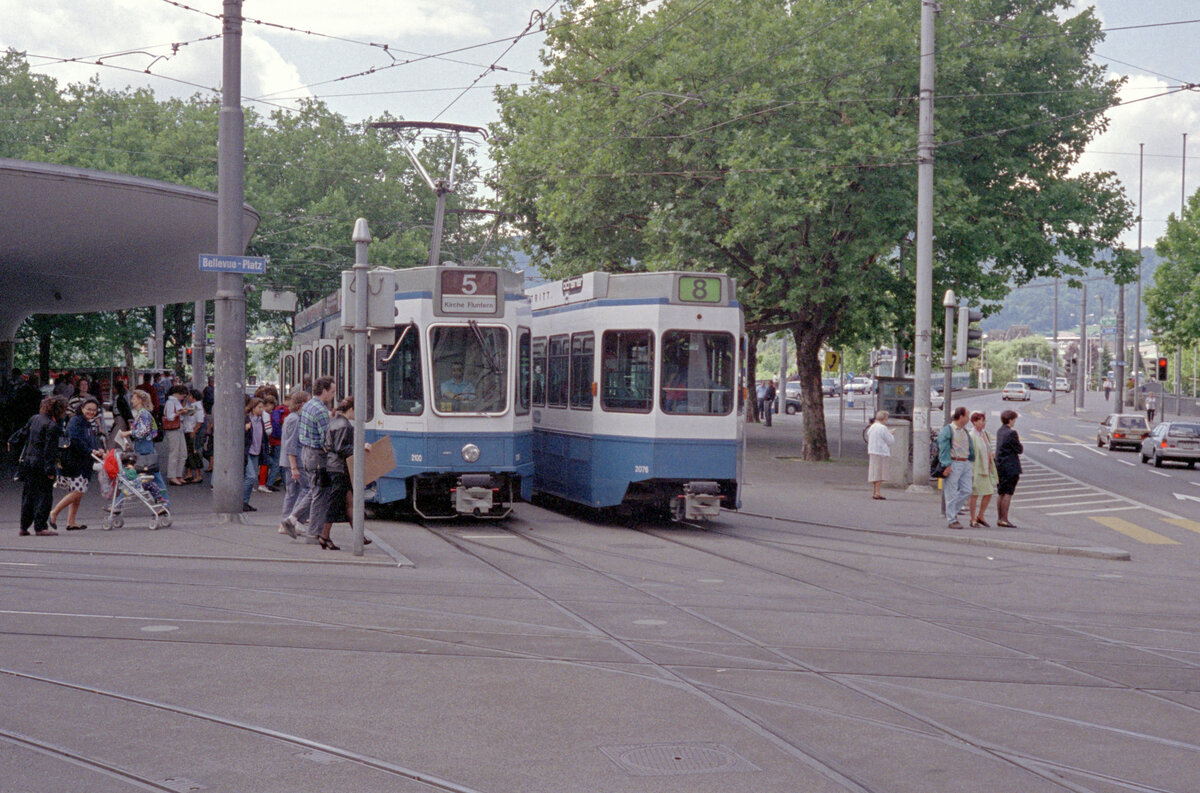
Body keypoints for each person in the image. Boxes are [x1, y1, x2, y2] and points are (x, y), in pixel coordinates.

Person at [280, 376, 335, 542]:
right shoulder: (321, 411)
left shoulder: (308, 406)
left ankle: (292, 519)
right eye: (332, 391)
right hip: (317, 456)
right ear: (324, 391)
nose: (333, 395)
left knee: (314, 490)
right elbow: (327, 439)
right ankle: (311, 533)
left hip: (306, 453)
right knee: (318, 493)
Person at [316, 396, 373, 551]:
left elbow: (330, 445)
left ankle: (359, 536)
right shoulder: (344, 425)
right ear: (352, 409)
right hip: (340, 469)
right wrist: (361, 446)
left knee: (350, 502)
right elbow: (342, 448)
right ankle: (324, 535)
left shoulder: (334, 421)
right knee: (335, 504)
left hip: (335, 467)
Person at [49, 398, 104, 531]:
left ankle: (71, 522)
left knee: (77, 492)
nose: (91, 412)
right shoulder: (76, 421)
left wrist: (98, 450)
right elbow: (75, 440)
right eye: (88, 409)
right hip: (74, 462)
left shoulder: (86, 423)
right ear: (82, 408)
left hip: (83, 462)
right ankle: (54, 512)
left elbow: (91, 440)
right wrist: (91, 451)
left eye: (94, 410)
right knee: (79, 491)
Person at [18, 396, 67, 536]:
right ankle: (40, 526)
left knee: (28, 494)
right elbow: (49, 450)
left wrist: (12, 440)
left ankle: (24, 526)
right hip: (41, 463)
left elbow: (24, 432)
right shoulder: (52, 426)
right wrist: (50, 470)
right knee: (44, 495)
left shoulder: (35, 418)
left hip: (29, 461)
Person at [119, 389, 169, 506]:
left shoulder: (143, 414)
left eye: (134, 398)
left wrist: (128, 433)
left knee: (134, 477)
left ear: (140, 400)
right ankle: (164, 502)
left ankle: (118, 504)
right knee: (153, 477)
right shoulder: (144, 413)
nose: (132, 400)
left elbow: (143, 432)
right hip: (146, 448)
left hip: (144, 449)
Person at [936, 405, 975, 530]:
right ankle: (952, 519)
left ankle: (952, 511)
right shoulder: (948, 430)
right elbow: (943, 447)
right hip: (954, 462)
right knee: (951, 492)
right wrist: (946, 465)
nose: (969, 418)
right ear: (961, 416)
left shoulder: (964, 430)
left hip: (965, 462)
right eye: (967, 415)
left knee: (967, 490)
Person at [278, 390, 310, 535]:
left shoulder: (292, 418)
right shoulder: (295, 419)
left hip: (291, 461)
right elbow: (291, 445)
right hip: (295, 461)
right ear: (302, 403)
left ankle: (287, 522)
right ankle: (291, 521)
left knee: (293, 492)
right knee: (306, 489)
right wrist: (294, 467)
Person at [967, 411, 999, 528]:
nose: (984, 423)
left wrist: (991, 454)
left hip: (986, 468)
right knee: (974, 495)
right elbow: (971, 454)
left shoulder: (984, 434)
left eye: (984, 420)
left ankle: (980, 515)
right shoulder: (972, 435)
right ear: (974, 422)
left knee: (989, 492)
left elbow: (987, 448)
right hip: (976, 469)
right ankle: (972, 518)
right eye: (981, 421)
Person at [994, 409, 1024, 528]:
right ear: (1010, 420)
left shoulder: (1000, 431)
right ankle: (1004, 519)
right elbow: (1019, 449)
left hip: (1000, 465)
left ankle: (999, 518)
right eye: (1014, 419)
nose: (1014, 422)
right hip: (1010, 466)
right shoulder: (1011, 433)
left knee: (1001, 492)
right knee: (1008, 492)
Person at [242, 397, 266, 512]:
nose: (262, 409)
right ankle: (241, 501)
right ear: (253, 408)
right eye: (259, 407)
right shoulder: (247, 419)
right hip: (248, 451)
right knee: (251, 476)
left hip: (256, 451)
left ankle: (245, 502)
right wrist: (245, 429)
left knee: (252, 477)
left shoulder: (260, 420)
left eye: (263, 407)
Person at [163, 385, 189, 486]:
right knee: (174, 452)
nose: (183, 398)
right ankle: (172, 476)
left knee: (183, 453)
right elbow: (170, 417)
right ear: (177, 394)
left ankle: (178, 474)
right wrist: (181, 412)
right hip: (173, 429)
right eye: (183, 396)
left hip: (179, 428)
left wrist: (182, 412)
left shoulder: (175, 402)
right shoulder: (170, 402)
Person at [866, 409, 894, 500]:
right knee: (880, 473)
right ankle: (877, 492)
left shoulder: (872, 426)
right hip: (881, 452)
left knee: (874, 472)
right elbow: (890, 440)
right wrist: (891, 433)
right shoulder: (883, 428)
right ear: (885, 418)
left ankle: (875, 491)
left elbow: (869, 435)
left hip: (872, 451)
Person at [181, 389, 205, 484]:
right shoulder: (193, 406)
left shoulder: (197, 406)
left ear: (193, 397)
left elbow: (199, 421)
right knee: (189, 453)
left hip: (192, 431)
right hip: (188, 430)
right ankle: (189, 473)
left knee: (193, 453)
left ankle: (197, 475)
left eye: (188, 396)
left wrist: (194, 431)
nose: (187, 397)